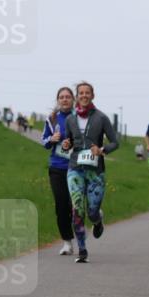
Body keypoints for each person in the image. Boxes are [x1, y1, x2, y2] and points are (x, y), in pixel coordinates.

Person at [62, 82, 118, 263]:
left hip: (95, 171)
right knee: (77, 208)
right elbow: (69, 139)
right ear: (77, 96)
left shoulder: (101, 118)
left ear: (93, 95)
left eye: (87, 93)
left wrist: (102, 150)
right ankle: (82, 249)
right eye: (81, 93)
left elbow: (115, 142)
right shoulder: (70, 119)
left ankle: (97, 220)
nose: (84, 96)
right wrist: (66, 144)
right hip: (75, 168)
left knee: (92, 211)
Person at [41, 87, 76, 256]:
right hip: (57, 167)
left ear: (73, 100)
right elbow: (44, 141)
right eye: (61, 97)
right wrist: (51, 139)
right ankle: (67, 242)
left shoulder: (80, 118)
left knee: (76, 205)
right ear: (57, 100)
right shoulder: (52, 118)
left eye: (68, 97)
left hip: (77, 168)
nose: (64, 99)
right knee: (61, 205)